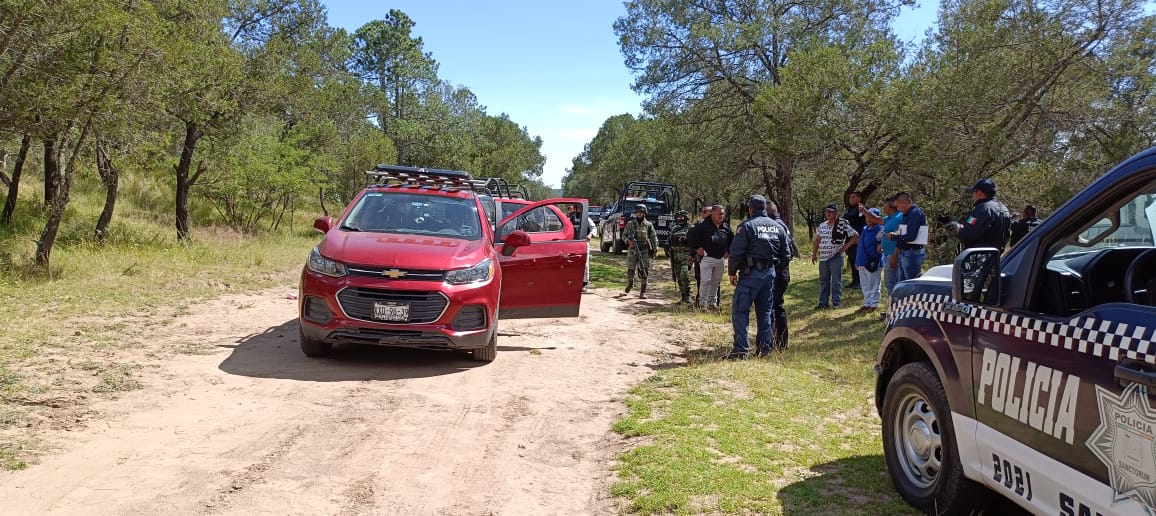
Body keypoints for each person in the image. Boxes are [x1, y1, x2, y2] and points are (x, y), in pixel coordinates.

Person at [727, 195, 791, 359]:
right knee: (765, 312)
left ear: (750, 209)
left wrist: (732, 272)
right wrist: (775, 269)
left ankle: (741, 350)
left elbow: (736, 252)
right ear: (764, 208)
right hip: (769, 275)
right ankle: (764, 350)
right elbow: (787, 254)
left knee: (741, 310)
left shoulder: (747, 226)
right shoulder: (778, 227)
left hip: (750, 274)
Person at [811, 203, 858, 309]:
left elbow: (855, 236)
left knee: (836, 280)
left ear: (836, 213)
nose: (828, 213)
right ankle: (823, 302)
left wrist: (844, 248)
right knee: (824, 280)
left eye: (831, 212)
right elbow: (817, 240)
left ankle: (836, 302)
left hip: (836, 256)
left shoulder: (842, 224)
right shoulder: (822, 225)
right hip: (823, 256)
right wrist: (814, 254)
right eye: (826, 211)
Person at [767, 201, 798, 350]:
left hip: (778, 272)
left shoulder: (775, 226)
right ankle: (781, 342)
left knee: (774, 306)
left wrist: (776, 267)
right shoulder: (781, 224)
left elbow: (787, 254)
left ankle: (776, 342)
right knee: (777, 306)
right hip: (782, 271)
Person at [690, 205, 733, 310]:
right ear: (713, 214)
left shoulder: (725, 226)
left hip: (720, 259)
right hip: (707, 258)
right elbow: (690, 236)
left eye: (723, 214)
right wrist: (696, 248)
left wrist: (728, 250)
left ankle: (712, 304)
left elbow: (732, 239)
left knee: (716, 282)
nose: (722, 216)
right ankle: (702, 304)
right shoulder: (703, 225)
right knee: (705, 281)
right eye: (720, 213)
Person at [955, 178, 1012, 250]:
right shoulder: (1005, 209)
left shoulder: (981, 210)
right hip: (995, 257)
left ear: (980, 193)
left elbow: (967, 235)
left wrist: (958, 228)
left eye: (973, 192)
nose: (972, 195)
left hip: (977, 257)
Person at [886, 192, 929, 283]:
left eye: (898, 206)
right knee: (902, 283)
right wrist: (895, 233)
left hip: (912, 253)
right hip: (905, 252)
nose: (897, 209)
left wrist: (894, 237)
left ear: (905, 203)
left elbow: (911, 236)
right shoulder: (907, 214)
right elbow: (903, 230)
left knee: (911, 284)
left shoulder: (915, 214)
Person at [623, 204, 658, 299]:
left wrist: (655, 249)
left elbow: (653, 237)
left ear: (644, 213)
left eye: (641, 212)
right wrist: (628, 241)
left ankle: (642, 292)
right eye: (637, 212)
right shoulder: (630, 224)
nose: (639, 214)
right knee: (631, 269)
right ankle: (630, 284)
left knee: (644, 270)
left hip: (643, 250)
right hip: (632, 250)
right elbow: (624, 235)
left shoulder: (648, 225)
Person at [855, 207, 885, 313]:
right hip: (862, 261)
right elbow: (860, 246)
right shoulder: (864, 229)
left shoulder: (880, 229)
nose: (868, 219)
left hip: (873, 261)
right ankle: (866, 302)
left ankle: (874, 303)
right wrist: (857, 261)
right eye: (867, 217)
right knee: (865, 283)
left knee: (874, 283)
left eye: (870, 217)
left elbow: (881, 245)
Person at [880, 196, 903, 318]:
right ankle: (892, 308)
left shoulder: (898, 218)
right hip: (887, 253)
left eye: (884, 205)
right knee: (890, 282)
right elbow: (877, 220)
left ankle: (894, 310)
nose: (883, 207)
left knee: (891, 282)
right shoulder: (890, 218)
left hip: (893, 254)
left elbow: (899, 238)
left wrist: (895, 255)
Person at [666, 210, 694, 304]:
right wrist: (667, 248)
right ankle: (683, 296)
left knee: (684, 273)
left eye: (682, 217)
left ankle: (688, 295)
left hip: (686, 255)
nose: (680, 219)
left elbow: (695, 242)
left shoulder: (691, 228)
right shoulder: (674, 229)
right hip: (675, 255)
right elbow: (669, 241)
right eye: (678, 217)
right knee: (678, 276)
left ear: (686, 217)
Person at [843, 191, 867, 289]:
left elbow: (865, 223)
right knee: (852, 259)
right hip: (849, 239)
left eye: (853, 197)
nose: (851, 199)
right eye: (850, 197)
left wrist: (861, 237)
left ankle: (861, 282)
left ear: (859, 198)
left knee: (858, 260)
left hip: (858, 239)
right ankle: (855, 281)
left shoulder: (861, 209)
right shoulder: (849, 210)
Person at [568, 205, 595, 292]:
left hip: (583, 243)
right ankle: (573, 282)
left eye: (580, 208)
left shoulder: (586, 218)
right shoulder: (571, 218)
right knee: (572, 263)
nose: (578, 210)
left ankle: (584, 283)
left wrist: (590, 234)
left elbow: (594, 228)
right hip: (573, 243)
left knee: (585, 263)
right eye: (577, 208)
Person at [691, 205, 712, 304]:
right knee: (700, 279)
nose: (703, 213)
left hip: (714, 257)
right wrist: (693, 252)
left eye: (705, 211)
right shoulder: (698, 225)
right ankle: (699, 302)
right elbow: (691, 239)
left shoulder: (719, 225)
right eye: (702, 211)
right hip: (700, 257)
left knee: (714, 281)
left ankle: (713, 303)